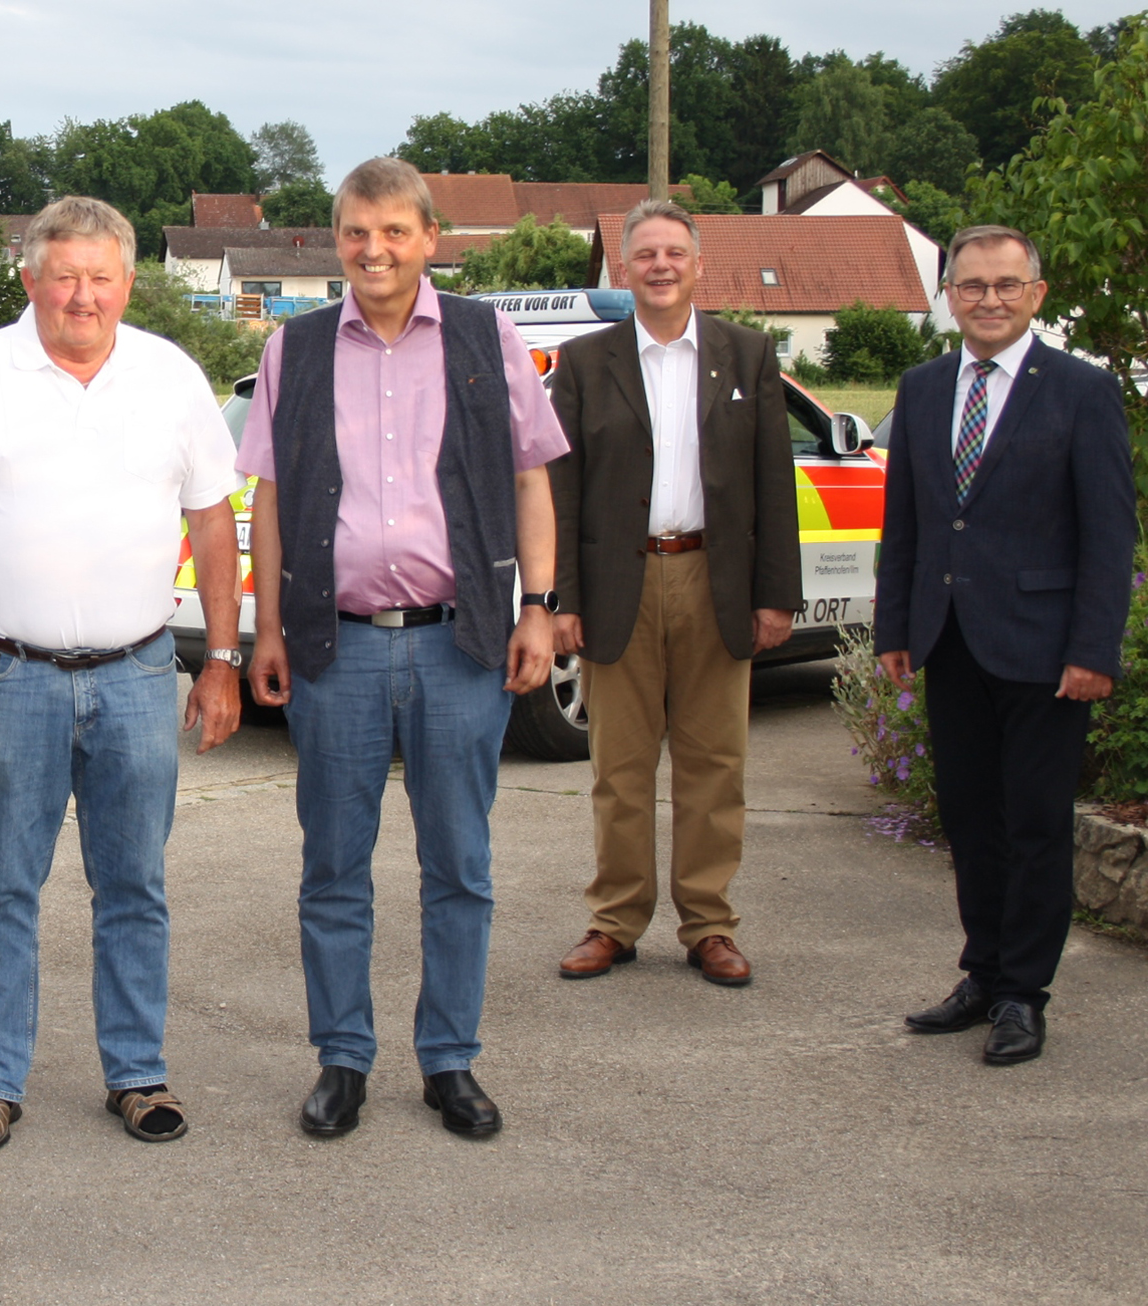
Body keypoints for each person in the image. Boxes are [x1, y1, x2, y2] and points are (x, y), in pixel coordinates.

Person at [0, 196, 243, 1152]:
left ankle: (136, 1074)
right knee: (1, 885)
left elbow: (214, 518)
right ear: (29, 279)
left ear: (128, 282)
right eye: (63, 275)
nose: (80, 296)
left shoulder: (170, 376)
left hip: (136, 674)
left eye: (100, 277)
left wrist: (219, 658)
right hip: (6, 676)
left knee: (133, 883)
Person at [242, 157, 565, 1139]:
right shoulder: (292, 350)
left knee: (458, 864)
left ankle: (448, 1061)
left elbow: (529, 478)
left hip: (457, 645)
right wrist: (263, 626)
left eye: (391, 231)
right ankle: (341, 1057)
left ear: (429, 237)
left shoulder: (484, 336)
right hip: (331, 649)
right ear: (333, 240)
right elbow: (264, 494)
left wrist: (538, 607)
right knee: (331, 866)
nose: (371, 250)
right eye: (352, 232)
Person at [877, 224, 1133, 1065]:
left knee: (1034, 825)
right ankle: (982, 972)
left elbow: (1108, 536)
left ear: (1037, 295)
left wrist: (1095, 650)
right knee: (970, 821)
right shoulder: (920, 389)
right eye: (971, 285)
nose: (988, 299)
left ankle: (1025, 992)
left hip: (1047, 650)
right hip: (948, 643)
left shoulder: (1081, 392)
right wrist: (894, 630)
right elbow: (907, 522)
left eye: (1005, 285)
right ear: (948, 295)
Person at [548, 198, 800, 988]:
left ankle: (709, 926)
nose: (660, 266)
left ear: (699, 265)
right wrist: (562, 598)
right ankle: (615, 922)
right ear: (624, 268)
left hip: (714, 581)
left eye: (674, 253)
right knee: (619, 770)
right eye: (645, 254)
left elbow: (773, 484)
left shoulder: (748, 355)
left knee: (714, 766)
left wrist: (775, 596)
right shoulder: (585, 363)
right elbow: (562, 489)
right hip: (620, 583)